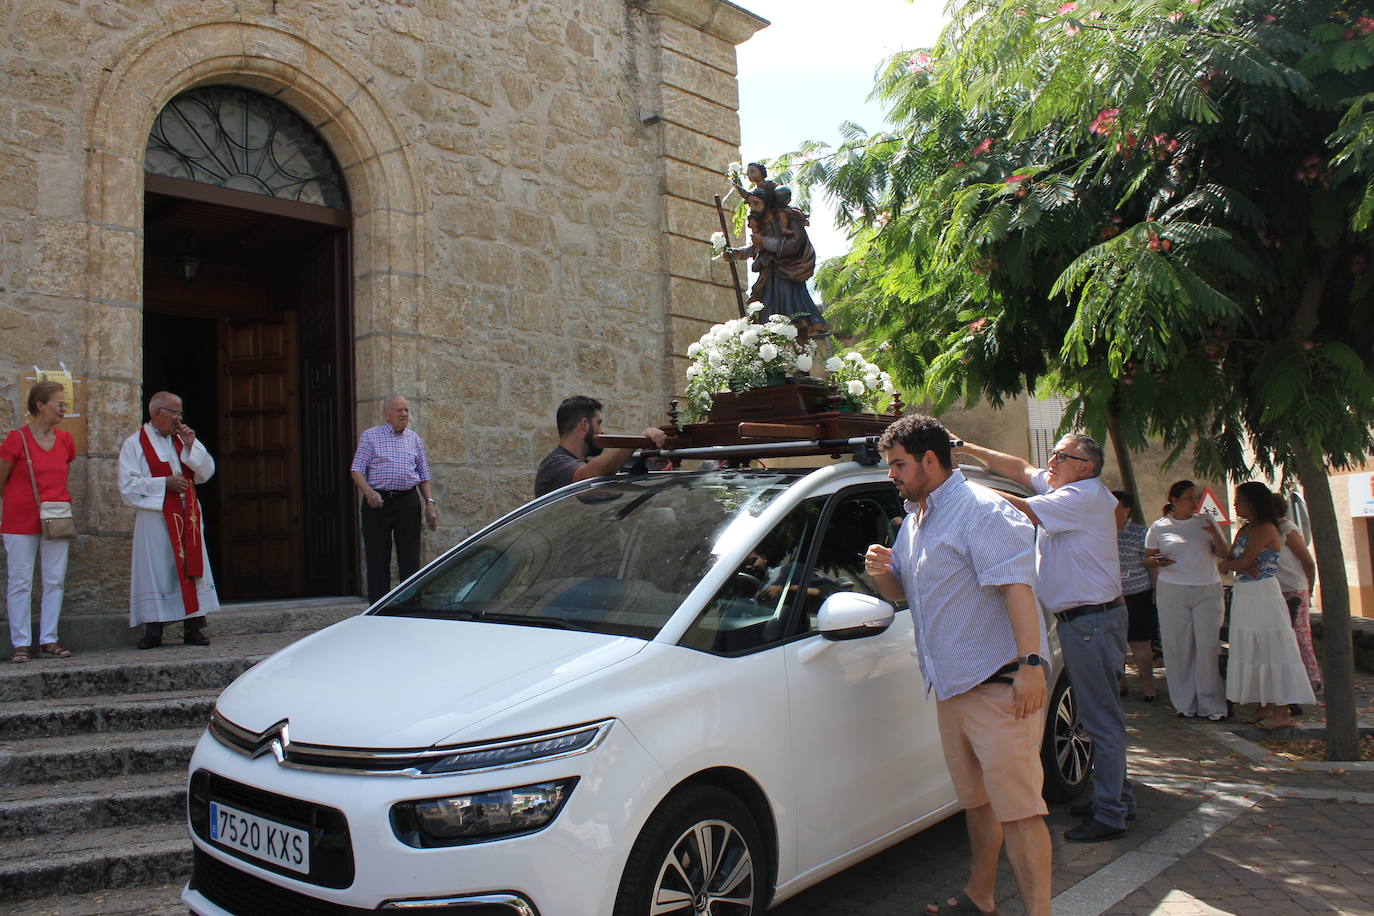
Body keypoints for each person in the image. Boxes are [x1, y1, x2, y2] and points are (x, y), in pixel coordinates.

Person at [863, 414, 1049, 916]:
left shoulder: (981, 511)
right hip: (952, 687)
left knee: (1021, 812)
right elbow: (906, 592)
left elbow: (1018, 589)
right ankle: (980, 897)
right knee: (978, 804)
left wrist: (1031, 665)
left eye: (898, 464)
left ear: (930, 460)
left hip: (1000, 685)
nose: (892, 475)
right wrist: (883, 574)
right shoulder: (920, 519)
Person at [953, 431, 1133, 843]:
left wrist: (954, 481)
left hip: (1090, 623)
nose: (1051, 461)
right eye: (1052, 454)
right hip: (1088, 621)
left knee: (1101, 721)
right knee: (1098, 716)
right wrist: (966, 448)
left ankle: (1111, 813)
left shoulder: (1082, 496)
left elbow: (1021, 507)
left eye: (1062, 456)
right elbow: (1017, 469)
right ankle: (1117, 796)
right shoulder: (1067, 488)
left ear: (1086, 467)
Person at [118, 391, 217, 648]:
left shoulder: (182, 439)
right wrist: (165, 484)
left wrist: (191, 446)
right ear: (156, 412)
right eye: (174, 412)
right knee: (158, 572)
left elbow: (206, 472)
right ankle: (153, 631)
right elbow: (128, 485)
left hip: (188, 515)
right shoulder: (134, 444)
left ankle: (194, 628)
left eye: (180, 412)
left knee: (190, 568)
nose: (179, 418)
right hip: (156, 519)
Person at [1218, 482, 1316, 730]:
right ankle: (1263, 705)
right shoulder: (1245, 530)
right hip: (1245, 592)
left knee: (1273, 648)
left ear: (1253, 502)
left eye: (1240, 500)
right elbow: (1233, 558)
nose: (1236, 504)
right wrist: (1234, 563)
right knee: (1253, 648)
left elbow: (1244, 560)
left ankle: (1282, 711)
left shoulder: (1264, 528)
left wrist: (1233, 564)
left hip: (1263, 593)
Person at [1, 381, 77, 662]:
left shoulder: (67, 441)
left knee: (54, 581)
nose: (63, 409)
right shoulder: (16, 439)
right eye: (58, 403)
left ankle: (49, 639)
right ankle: (20, 643)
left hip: (56, 518)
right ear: (39, 406)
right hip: (19, 520)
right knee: (20, 581)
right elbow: (2, 480)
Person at [1145, 481, 1230, 720]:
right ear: (1174, 500)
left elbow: (1224, 554)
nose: (1194, 503)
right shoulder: (1159, 527)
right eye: (1189, 498)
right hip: (1173, 590)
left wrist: (1215, 535)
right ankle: (1185, 703)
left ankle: (1212, 705)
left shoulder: (1206, 522)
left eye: (1196, 498)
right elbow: (1149, 559)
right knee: (1178, 647)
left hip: (1207, 589)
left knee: (1208, 646)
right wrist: (1158, 561)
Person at [350, 394, 438, 604]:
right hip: (377, 503)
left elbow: (424, 475)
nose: (404, 414)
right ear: (386, 414)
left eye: (406, 410)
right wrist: (369, 492)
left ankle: (411, 607)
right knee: (378, 558)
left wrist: (430, 503)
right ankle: (379, 608)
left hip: (408, 501)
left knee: (410, 558)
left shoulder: (414, 439)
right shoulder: (371, 436)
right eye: (399, 410)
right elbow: (356, 471)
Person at [723, 186, 828, 332]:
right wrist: (737, 254)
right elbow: (757, 247)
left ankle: (800, 349)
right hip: (769, 277)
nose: (752, 208)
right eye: (751, 204)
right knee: (766, 316)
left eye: (756, 203)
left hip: (788, 275)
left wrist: (765, 242)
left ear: (767, 204)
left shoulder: (789, 219)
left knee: (795, 318)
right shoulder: (763, 225)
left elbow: (795, 244)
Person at [534, 396, 667, 498]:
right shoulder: (554, 466)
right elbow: (590, 475)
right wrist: (638, 441)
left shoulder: (576, 463)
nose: (601, 431)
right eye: (598, 423)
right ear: (585, 424)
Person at [1273, 493, 1321, 692]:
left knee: (1300, 634)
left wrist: (1308, 588)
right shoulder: (1266, 529)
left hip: (1294, 588)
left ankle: (1312, 677)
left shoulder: (1288, 529)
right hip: (1275, 589)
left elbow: (1307, 561)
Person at [1114, 490, 1157, 701]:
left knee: (1140, 643)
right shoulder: (1099, 533)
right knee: (1115, 643)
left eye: (1114, 505)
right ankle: (1120, 683)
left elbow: (1152, 565)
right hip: (1111, 597)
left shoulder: (1141, 534)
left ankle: (1148, 686)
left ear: (1126, 510)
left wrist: (1155, 591)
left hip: (1138, 594)